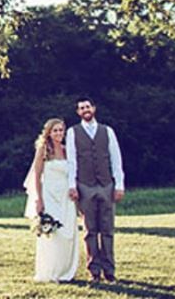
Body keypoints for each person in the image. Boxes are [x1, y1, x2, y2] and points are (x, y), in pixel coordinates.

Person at [66, 97, 125, 284]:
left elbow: (116, 159)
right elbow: (71, 161)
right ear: (78, 112)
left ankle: (109, 270)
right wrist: (72, 185)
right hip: (84, 185)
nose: (85, 110)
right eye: (81, 108)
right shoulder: (72, 132)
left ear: (94, 108)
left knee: (107, 230)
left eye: (88, 106)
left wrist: (119, 185)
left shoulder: (107, 131)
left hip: (107, 185)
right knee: (90, 231)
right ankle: (94, 271)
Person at [23, 117, 80, 282]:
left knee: (68, 232)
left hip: (66, 197)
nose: (58, 133)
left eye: (61, 130)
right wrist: (39, 200)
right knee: (54, 233)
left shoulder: (66, 150)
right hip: (49, 195)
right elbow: (37, 176)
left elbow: (72, 173)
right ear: (48, 132)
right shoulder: (43, 150)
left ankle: (66, 271)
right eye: (55, 130)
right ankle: (51, 271)